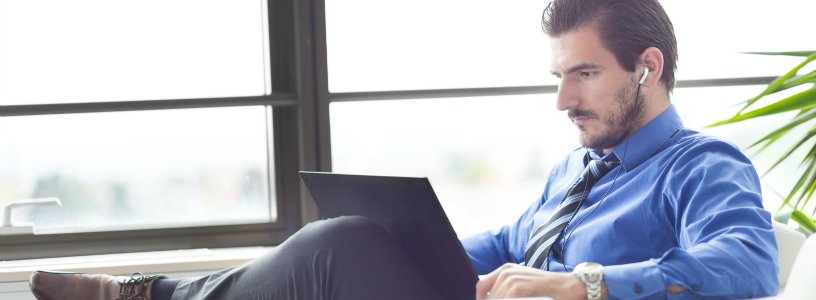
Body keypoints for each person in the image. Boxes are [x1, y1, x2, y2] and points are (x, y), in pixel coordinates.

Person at [28, 0, 779, 299]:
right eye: (559, 76)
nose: (562, 100)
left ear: (647, 68)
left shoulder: (705, 166)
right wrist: (420, 245)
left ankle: (145, 295)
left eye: (583, 74)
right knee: (354, 239)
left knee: (336, 250)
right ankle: (145, 295)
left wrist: (581, 284)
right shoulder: (580, 167)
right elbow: (513, 241)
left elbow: (747, 263)